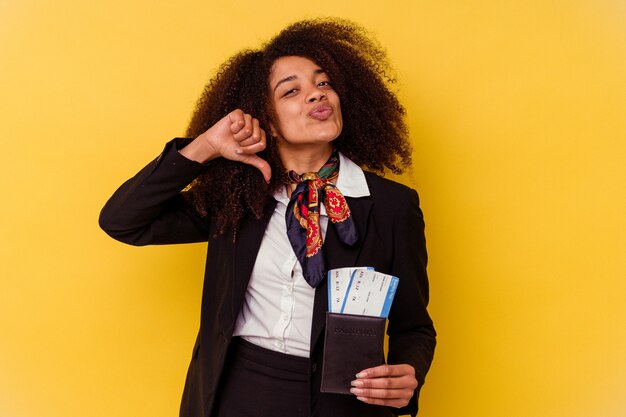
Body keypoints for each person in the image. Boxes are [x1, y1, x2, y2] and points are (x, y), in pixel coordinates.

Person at [99, 18, 435, 417]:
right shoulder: (237, 197)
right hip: (231, 394)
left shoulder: (392, 206)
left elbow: (414, 327)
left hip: (339, 405)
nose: (315, 95)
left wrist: (408, 375)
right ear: (268, 122)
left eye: (323, 83)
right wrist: (205, 146)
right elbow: (124, 220)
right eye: (292, 90)